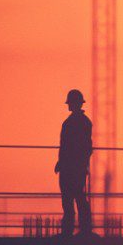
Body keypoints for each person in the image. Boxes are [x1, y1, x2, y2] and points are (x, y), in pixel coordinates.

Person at [55, 89, 93, 236]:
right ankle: (83, 229)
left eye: (70, 103)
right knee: (75, 197)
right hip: (74, 167)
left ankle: (70, 230)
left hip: (70, 167)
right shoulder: (83, 122)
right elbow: (83, 147)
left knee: (71, 198)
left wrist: (62, 162)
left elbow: (71, 146)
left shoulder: (71, 123)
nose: (68, 105)